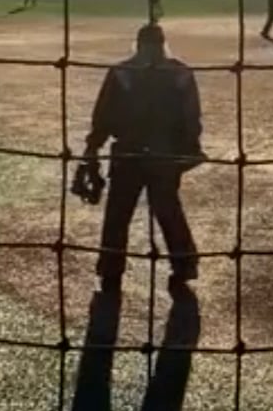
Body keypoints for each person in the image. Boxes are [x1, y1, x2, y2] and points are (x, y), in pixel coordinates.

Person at [71, 23, 205, 289]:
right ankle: (184, 265)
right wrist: (189, 148)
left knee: (121, 213)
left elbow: (103, 116)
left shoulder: (123, 72)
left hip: (131, 152)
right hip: (162, 153)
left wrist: (93, 146)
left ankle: (112, 269)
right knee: (166, 210)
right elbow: (191, 117)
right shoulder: (179, 73)